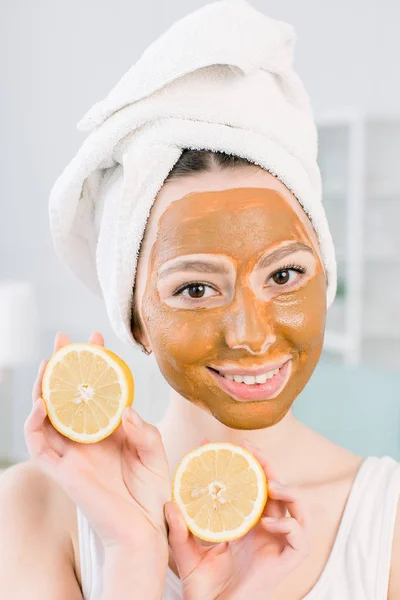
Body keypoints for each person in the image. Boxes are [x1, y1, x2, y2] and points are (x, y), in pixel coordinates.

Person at [1, 2, 400, 599]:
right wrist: (132, 554)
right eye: (194, 289)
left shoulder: (386, 524)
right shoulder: (33, 510)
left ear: (326, 278)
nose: (251, 334)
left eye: (285, 275)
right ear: (135, 318)